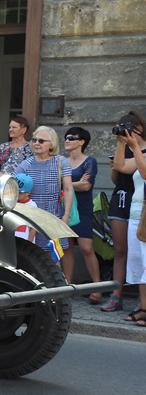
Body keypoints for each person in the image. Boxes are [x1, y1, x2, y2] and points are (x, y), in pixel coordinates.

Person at [100, 112, 143, 312]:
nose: (122, 132)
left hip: (139, 203)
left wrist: (127, 147)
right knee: (120, 251)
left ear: (138, 129)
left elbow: (125, 168)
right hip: (122, 198)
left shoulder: (142, 150)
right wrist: (120, 145)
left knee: (141, 253)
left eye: (125, 128)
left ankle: (142, 301)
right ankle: (116, 296)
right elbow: (117, 177)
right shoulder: (124, 148)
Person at [14, 126, 73, 257]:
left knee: (53, 258)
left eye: (41, 141)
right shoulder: (26, 164)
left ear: (52, 145)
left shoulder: (60, 162)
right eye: (34, 140)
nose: (36, 143)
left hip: (53, 217)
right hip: (31, 219)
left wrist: (66, 215)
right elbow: (11, 184)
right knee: (31, 257)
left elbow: (68, 189)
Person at [110, 111, 146, 325]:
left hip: (145, 215)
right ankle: (143, 307)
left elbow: (145, 173)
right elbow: (121, 167)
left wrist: (135, 147)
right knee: (137, 262)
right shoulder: (136, 151)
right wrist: (122, 143)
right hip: (135, 213)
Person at [58, 127, 102, 302]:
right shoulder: (62, 161)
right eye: (66, 137)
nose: (67, 140)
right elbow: (58, 183)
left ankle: (97, 287)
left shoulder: (90, 161)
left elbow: (86, 186)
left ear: (82, 141)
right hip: (64, 207)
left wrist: (65, 183)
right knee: (66, 247)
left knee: (86, 248)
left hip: (83, 209)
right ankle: (68, 285)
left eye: (71, 137)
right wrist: (72, 184)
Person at [13, 173, 37, 242]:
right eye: (14, 190)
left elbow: (34, 227)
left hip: (24, 241)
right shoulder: (8, 202)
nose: (16, 193)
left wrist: (29, 242)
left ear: (28, 193)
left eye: (19, 192)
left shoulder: (32, 205)